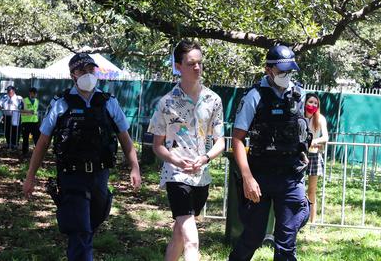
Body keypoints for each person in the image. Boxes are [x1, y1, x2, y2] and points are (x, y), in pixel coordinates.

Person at [22, 52, 141, 261]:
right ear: (72, 75)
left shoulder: (108, 102)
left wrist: (135, 167)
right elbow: (43, 142)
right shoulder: (61, 103)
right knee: (80, 231)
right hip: (72, 176)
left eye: (91, 69)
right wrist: (30, 175)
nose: (87, 73)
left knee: (92, 223)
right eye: (81, 70)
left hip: (99, 176)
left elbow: (125, 137)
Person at [229, 45, 310, 261]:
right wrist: (247, 178)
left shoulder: (299, 94)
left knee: (286, 240)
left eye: (289, 71)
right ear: (268, 69)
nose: (286, 76)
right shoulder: (254, 96)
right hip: (260, 175)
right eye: (282, 71)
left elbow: (303, 130)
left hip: (290, 175)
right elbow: (237, 138)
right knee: (253, 236)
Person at [149, 41, 225, 261]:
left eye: (200, 63)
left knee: (179, 236)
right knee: (192, 239)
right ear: (178, 66)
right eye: (191, 63)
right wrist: (175, 159)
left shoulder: (214, 100)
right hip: (176, 176)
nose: (197, 68)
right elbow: (158, 145)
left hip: (202, 176)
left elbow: (220, 142)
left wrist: (205, 158)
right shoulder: (166, 102)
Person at [304, 93, 329, 225]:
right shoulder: (299, 117)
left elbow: (325, 137)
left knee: (312, 190)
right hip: (300, 154)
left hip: (314, 155)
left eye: (315, 103)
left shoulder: (320, 119)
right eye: (310, 102)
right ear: (305, 102)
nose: (312, 105)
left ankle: (312, 221)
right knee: (297, 188)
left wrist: (312, 141)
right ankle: (298, 219)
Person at [0, 86, 23, 150]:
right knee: (7, 130)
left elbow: (22, 106)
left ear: (13, 91)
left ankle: (15, 143)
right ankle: (9, 143)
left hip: (15, 116)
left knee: (15, 130)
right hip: (6, 115)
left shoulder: (18, 98)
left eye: (10, 90)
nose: (8, 92)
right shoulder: (4, 97)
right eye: (7, 91)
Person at [20, 87, 41, 156]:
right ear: (30, 93)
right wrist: (29, 111)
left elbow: (36, 111)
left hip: (35, 122)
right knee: (25, 138)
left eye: (35, 93)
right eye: (33, 93)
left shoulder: (37, 101)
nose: (34, 94)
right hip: (26, 122)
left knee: (37, 138)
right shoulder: (24, 100)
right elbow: (20, 110)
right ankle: (25, 152)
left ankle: (38, 152)